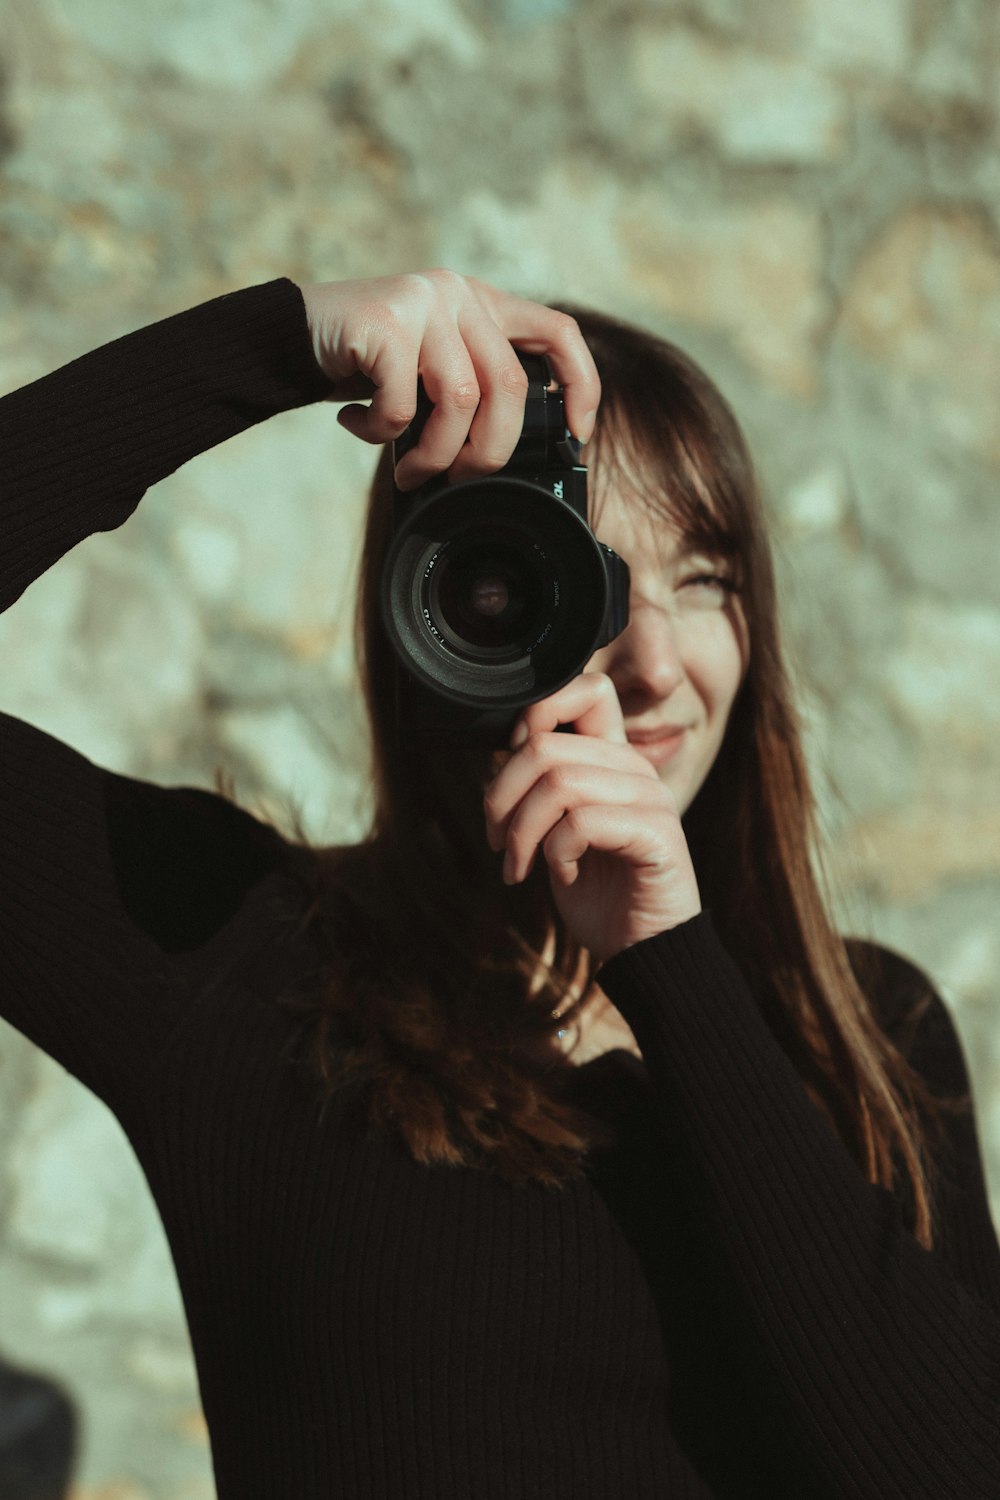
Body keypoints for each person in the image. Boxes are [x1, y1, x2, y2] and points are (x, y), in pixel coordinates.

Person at [1, 268, 998, 1499]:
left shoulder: (867, 1028)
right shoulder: (244, 963)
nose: (651, 662)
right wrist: (275, 347)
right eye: (582, 577)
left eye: (704, 582)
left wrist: (667, 965)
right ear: (444, 612)